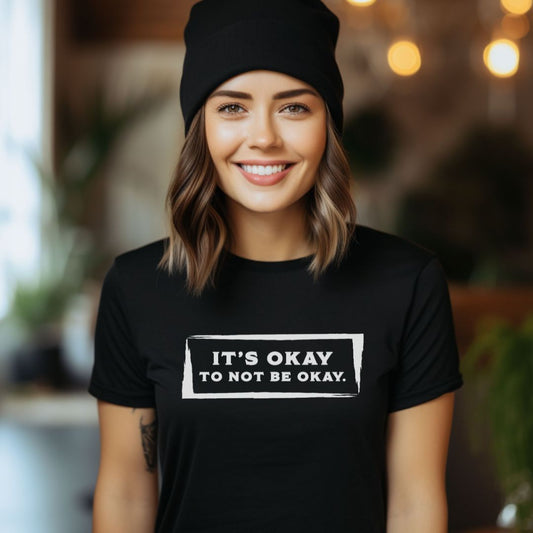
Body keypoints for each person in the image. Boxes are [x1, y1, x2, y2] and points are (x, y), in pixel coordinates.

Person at [88, 0, 464, 531]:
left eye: (293, 107)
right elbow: (126, 494)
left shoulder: (407, 283)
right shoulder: (137, 288)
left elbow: (415, 502)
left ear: (327, 126)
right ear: (201, 128)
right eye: (232, 107)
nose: (263, 136)